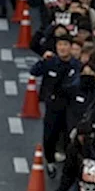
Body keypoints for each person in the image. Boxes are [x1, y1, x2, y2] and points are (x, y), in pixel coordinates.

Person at [30, 33, 81, 162]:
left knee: (68, 133)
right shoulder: (51, 62)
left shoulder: (77, 65)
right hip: (53, 104)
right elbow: (34, 71)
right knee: (50, 134)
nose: (62, 48)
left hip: (70, 105)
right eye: (59, 45)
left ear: (71, 47)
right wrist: (43, 60)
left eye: (65, 45)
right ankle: (50, 159)